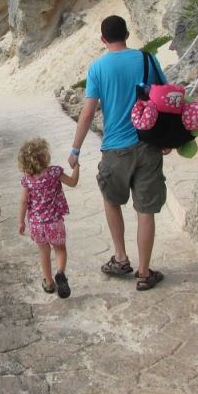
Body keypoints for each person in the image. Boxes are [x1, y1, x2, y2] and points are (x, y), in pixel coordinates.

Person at [68, 15, 169, 292]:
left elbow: (88, 112)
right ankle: (145, 273)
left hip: (114, 147)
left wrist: (75, 149)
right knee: (145, 210)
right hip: (148, 144)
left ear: (103, 39)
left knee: (111, 199)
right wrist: (171, 138)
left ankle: (121, 257)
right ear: (127, 33)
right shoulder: (147, 59)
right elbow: (166, 96)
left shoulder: (97, 68)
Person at [17, 137, 79, 298]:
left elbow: (24, 202)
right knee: (60, 249)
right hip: (55, 223)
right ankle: (60, 273)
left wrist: (21, 222)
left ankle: (49, 283)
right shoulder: (54, 172)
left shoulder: (27, 180)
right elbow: (73, 182)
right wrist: (76, 167)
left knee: (44, 252)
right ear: (45, 156)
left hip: (37, 225)